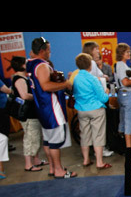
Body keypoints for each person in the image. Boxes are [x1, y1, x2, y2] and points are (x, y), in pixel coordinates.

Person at [27, 37, 77, 179]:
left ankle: (53, 167)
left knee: (48, 140)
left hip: (42, 108)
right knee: (55, 142)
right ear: (42, 51)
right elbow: (46, 86)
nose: (50, 52)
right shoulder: (42, 66)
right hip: (51, 108)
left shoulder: (30, 63)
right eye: (48, 49)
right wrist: (65, 84)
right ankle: (59, 170)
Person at [9, 56, 48, 172]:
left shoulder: (22, 78)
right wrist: (37, 96)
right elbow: (24, 95)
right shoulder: (19, 79)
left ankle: (36, 159)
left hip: (32, 114)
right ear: (22, 65)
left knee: (35, 137)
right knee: (30, 138)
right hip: (28, 115)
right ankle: (28, 164)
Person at [73, 53, 112, 170]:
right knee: (98, 135)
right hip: (95, 110)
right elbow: (103, 98)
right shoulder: (93, 79)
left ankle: (86, 160)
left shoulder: (76, 78)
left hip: (81, 110)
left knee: (84, 134)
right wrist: (106, 91)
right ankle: (99, 162)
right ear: (90, 65)